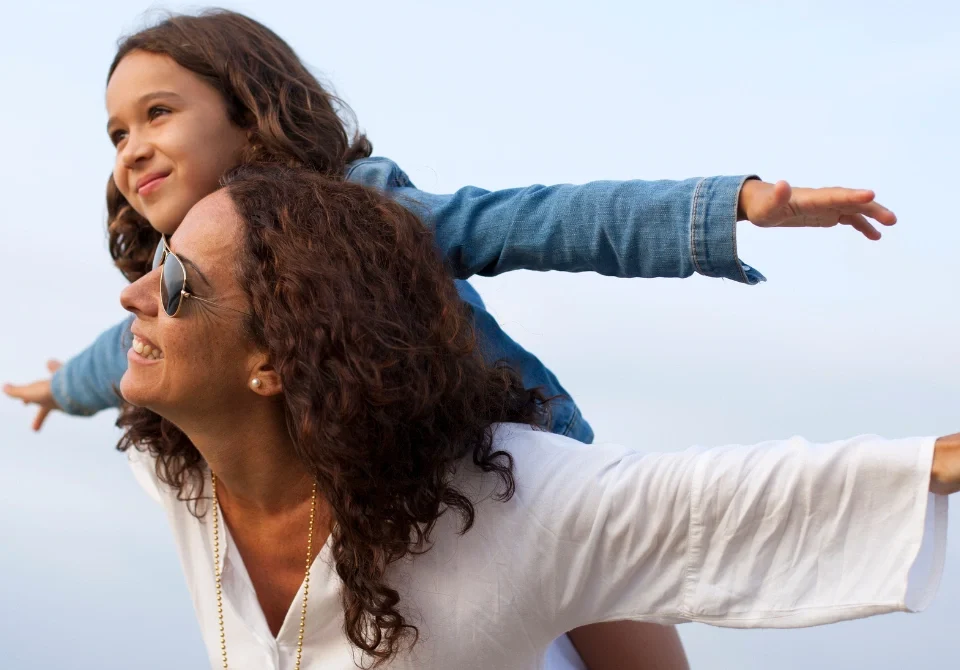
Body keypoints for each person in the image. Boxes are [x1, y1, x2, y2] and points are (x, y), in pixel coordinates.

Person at [1, 9, 898, 668]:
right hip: (375, 516)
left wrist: (726, 209)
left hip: (507, 471)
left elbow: (535, 222)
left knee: (636, 643)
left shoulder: (366, 213)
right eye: (116, 131)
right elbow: (113, 356)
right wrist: (56, 391)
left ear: (249, 110)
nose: (129, 147)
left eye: (158, 114)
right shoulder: (186, 284)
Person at [116, 164, 952, 670]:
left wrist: (723, 206)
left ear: (276, 359)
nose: (135, 295)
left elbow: (720, 500)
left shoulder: (496, 505)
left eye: (178, 283)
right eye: (157, 263)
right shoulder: (172, 469)